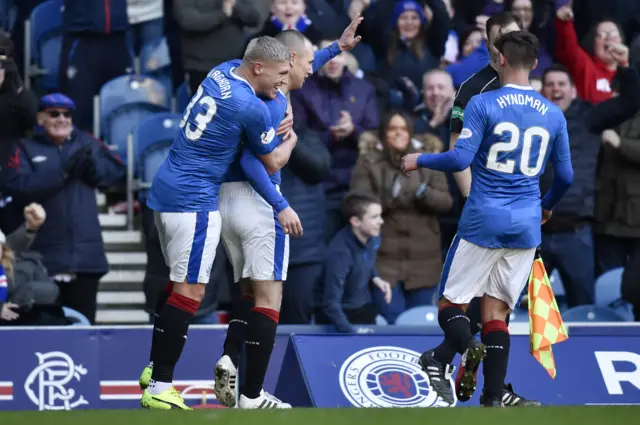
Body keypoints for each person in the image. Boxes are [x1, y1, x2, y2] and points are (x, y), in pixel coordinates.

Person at [401, 31, 574, 407]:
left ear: (500, 59)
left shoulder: (483, 103)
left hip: (483, 217)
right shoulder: (554, 113)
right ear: (535, 64)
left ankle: (467, 347)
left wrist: (420, 160)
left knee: (450, 304)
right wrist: (547, 204)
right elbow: (566, 176)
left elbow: (459, 159)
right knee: (497, 312)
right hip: (527, 222)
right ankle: (493, 398)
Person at [139, 36, 298, 410]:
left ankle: (153, 368)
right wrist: (290, 138)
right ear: (258, 67)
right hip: (194, 199)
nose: (282, 83)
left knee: (178, 283)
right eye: (279, 75)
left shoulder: (222, 70)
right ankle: (161, 385)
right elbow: (270, 161)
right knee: (191, 292)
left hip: (165, 188)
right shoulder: (251, 108)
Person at [213, 18, 364, 409]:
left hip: (226, 200)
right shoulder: (272, 100)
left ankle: (230, 355)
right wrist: (280, 204)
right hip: (258, 200)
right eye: (310, 61)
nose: (314, 69)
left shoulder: (245, 79)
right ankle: (252, 395)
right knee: (270, 299)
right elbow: (256, 161)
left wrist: (339, 48)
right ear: (288, 61)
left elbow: (300, 66)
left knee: (247, 291)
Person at [427, 11, 541, 407]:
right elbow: (457, 150)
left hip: (519, 211)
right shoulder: (473, 90)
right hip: (487, 209)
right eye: (502, 39)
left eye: (515, 36)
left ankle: (477, 379)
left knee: (498, 305)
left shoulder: (529, 90)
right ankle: (477, 378)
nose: (509, 44)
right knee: (472, 300)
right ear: (491, 45)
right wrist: (476, 202)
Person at [315, 192, 390, 332]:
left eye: (380, 215)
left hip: (363, 307)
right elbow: (331, 304)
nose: (381, 221)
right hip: (340, 316)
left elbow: (368, 257)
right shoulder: (340, 254)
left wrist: (376, 277)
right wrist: (351, 334)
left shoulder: (373, 236)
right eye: (374, 217)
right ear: (355, 222)